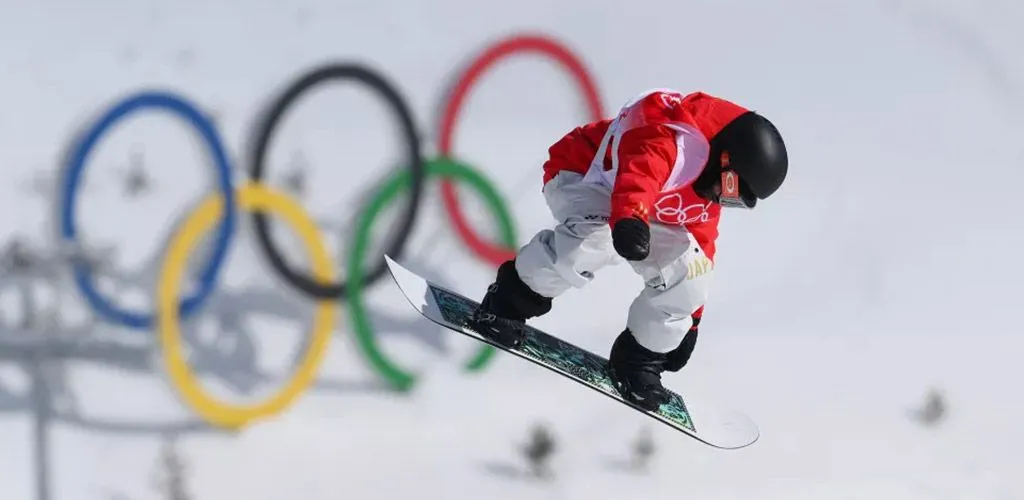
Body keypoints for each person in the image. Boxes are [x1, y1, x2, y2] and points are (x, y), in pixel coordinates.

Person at [467, 88, 789, 410]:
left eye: (735, 200)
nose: (724, 198)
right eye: (730, 187)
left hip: (641, 211)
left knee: (691, 274)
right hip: (584, 177)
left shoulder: (710, 190)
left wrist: (691, 320)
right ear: (724, 156)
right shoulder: (675, 139)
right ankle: (506, 304)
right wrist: (630, 217)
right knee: (595, 242)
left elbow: (702, 245)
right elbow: (641, 172)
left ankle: (637, 363)